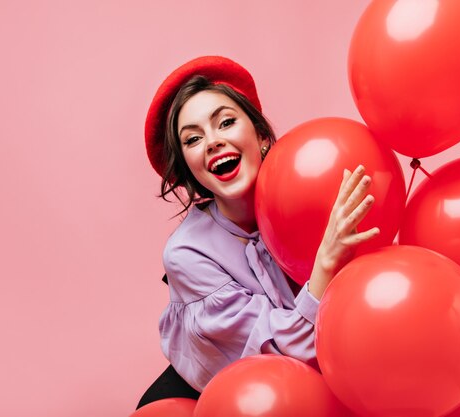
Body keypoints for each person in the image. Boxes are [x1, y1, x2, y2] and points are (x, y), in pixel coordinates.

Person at [139, 56, 379, 405]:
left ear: (262, 136)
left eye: (225, 122)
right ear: (190, 171)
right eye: (193, 140)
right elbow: (288, 354)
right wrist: (326, 261)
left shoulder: (312, 189)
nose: (212, 142)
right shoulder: (186, 255)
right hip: (219, 394)